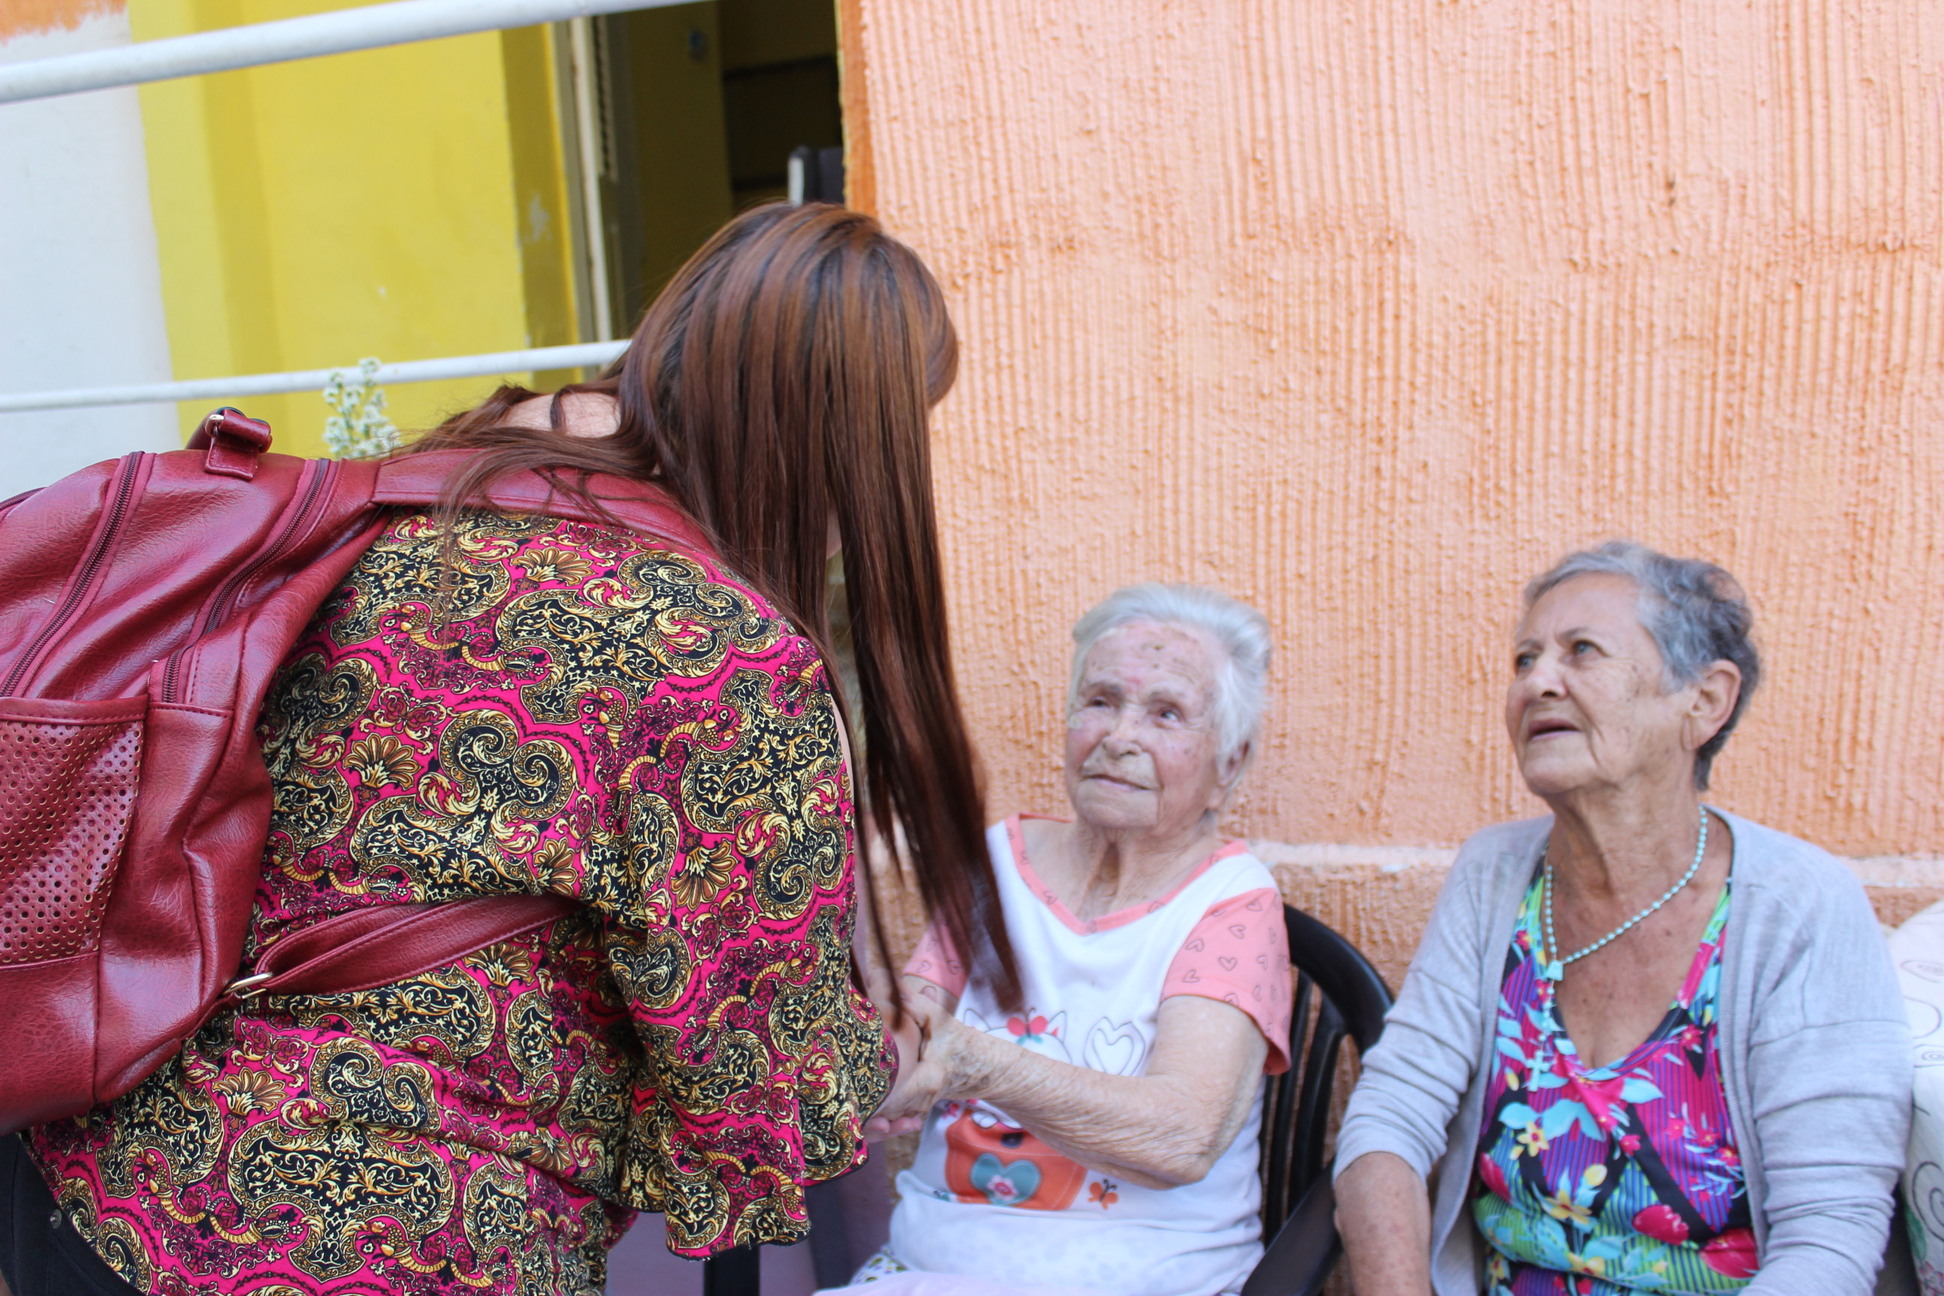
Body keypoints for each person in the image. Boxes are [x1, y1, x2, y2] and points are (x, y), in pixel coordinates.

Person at [0, 202, 1018, 1296]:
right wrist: (895, 1057)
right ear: (854, 444)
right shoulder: (722, 658)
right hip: (369, 1239)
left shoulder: (438, 482)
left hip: (89, 1165)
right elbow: (759, 1095)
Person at [1334, 541, 1912, 1295]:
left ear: (1704, 701)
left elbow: (1830, 1235)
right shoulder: (1493, 875)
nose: (1537, 682)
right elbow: (1389, 1123)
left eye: (1582, 651)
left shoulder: (1799, 906)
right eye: (1524, 660)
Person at [842, 584, 1294, 1296]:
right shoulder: (992, 863)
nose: (1120, 737)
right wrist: (871, 1059)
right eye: (1101, 701)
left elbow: (1183, 1137)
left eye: (1166, 713)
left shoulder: (1230, 901)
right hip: (925, 1273)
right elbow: (914, 1036)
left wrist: (971, 1063)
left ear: (1229, 764)